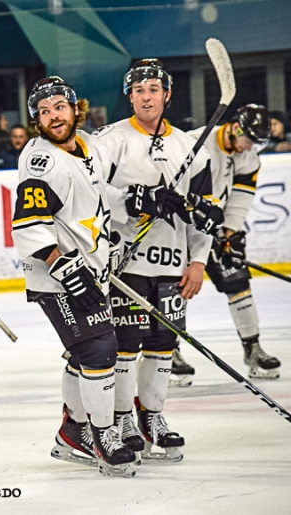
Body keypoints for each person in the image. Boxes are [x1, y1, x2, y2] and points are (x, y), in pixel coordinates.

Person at [94, 59, 221, 462]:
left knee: (163, 344)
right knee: (126, 345)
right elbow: (89, 193)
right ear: (129, 97)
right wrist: (133, 201)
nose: (146, 97)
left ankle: (153, 416)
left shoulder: (190, 147)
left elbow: (204, 211)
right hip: (126, 262)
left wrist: (199, 260)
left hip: (171, 263)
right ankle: (123, 417)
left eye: (153, 89)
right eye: (138, 90)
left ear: (167, 94)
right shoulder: (110, 140)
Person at [12, 76, 136, 477]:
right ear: (36, 120)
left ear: (74, 108)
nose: (53, 116)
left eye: (58, 107)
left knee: (82, 352)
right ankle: (102, 436)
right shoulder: (39, 160)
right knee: (100, 349)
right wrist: (64, 266)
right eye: (44, 112)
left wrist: (138, 200)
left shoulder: (89, 145)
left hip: (90, 268)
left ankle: (71, 430)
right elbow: (29, 224)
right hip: (56, 275)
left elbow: (100, 193)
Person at [175, 104, 280, 382]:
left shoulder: (249, 157)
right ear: (235, 128)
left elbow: (241, 198)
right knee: (174, 287)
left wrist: (230, 233)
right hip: (180, 227)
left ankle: (253, 349)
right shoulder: (195, 143)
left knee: (238, 279)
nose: (249, 148)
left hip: (214, 228)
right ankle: (167, 350)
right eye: (248, 140)